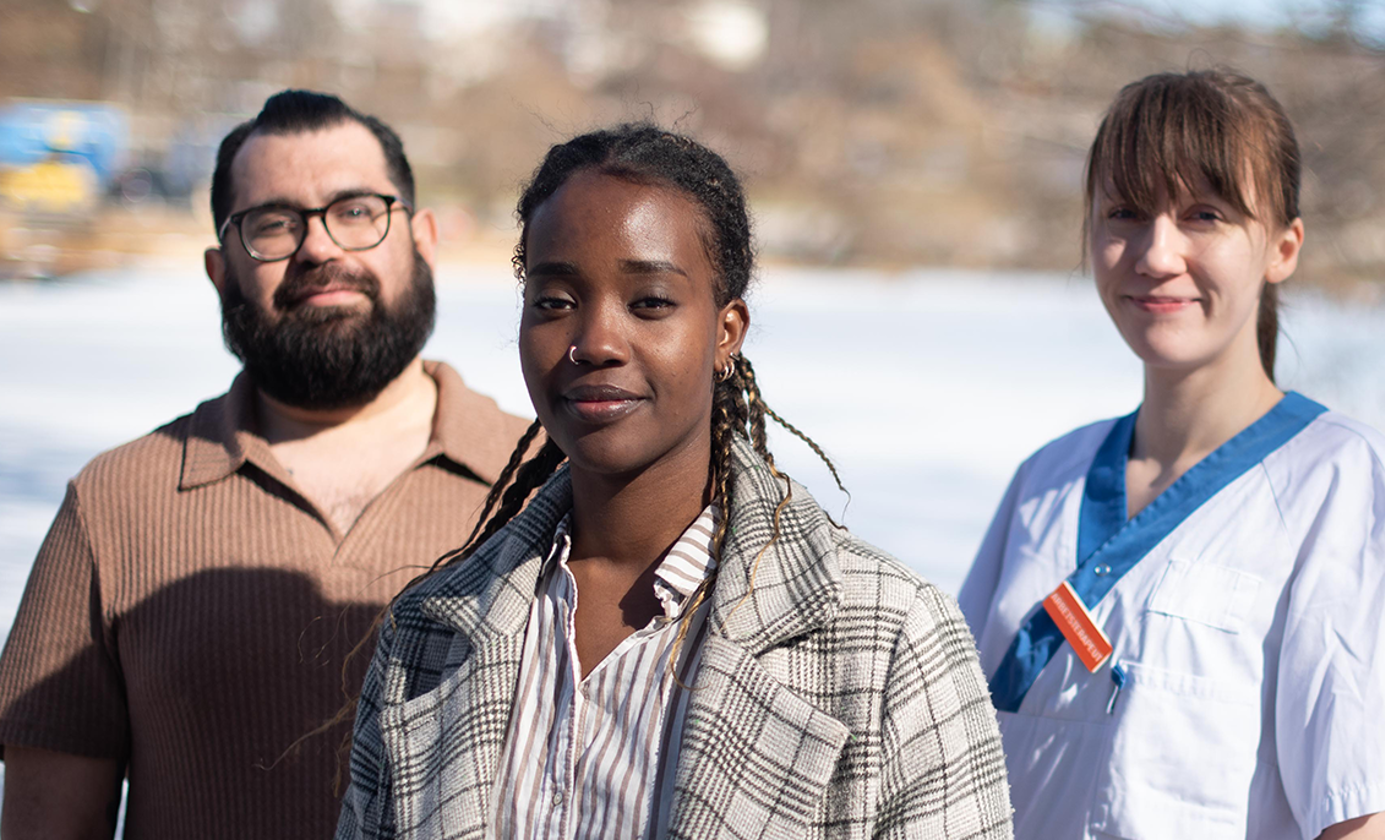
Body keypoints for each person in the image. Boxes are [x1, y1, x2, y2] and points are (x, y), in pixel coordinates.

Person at [335, 123, 1012, 839]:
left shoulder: (890, 637)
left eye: (650, 302)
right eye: (555, 301)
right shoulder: (427, 631)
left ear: (726, 332)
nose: (595, 341)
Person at [958, 69, 1385, 840]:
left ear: (1282, 248)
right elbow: (943, 765)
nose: (1157, 253)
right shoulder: (1047, 480)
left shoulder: (1332, 481)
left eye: (1204, 215)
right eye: (1125, 212)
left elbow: (1367, 815)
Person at [0, 90, 528, 839]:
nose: (319, 248)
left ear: (425, 240)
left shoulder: (553, 486)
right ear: (220, 272)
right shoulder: (115, 504)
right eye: (274, 224)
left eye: (356, 211)